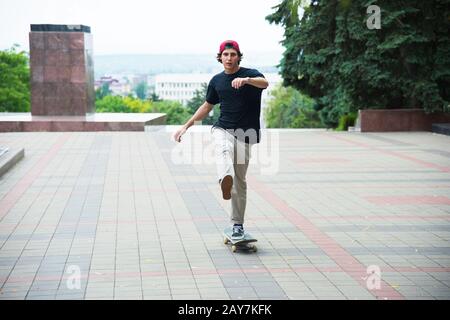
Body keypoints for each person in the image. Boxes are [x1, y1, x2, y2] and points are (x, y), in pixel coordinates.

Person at [173, 40, 268, 240]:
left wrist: (247, 80)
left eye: (233, 54)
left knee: (240, 182)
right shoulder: (217, 81)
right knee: (222, 150)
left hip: (246, 134)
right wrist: (186, 126)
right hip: (223, 128)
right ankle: (224, 179)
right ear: (220, 57)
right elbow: (207, 106)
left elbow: (265, 83)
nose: (229, 58)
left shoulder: (251, 74)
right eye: (225, 55)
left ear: (238, 56)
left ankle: (237, 225)